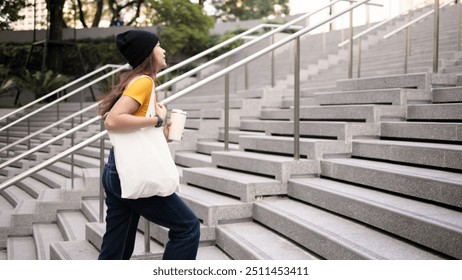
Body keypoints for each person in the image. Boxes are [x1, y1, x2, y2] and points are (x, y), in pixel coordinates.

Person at [97, 29, 200, 260]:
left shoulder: (139, 82)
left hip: (119, 169)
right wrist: (157, 119)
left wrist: (163, 131)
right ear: (148, 53)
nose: (163, 50)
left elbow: (137, 128)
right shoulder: (143, 82)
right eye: (158, 45)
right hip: (132, 170)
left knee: (117, 247)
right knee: (187, 227)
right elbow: (113, 120)